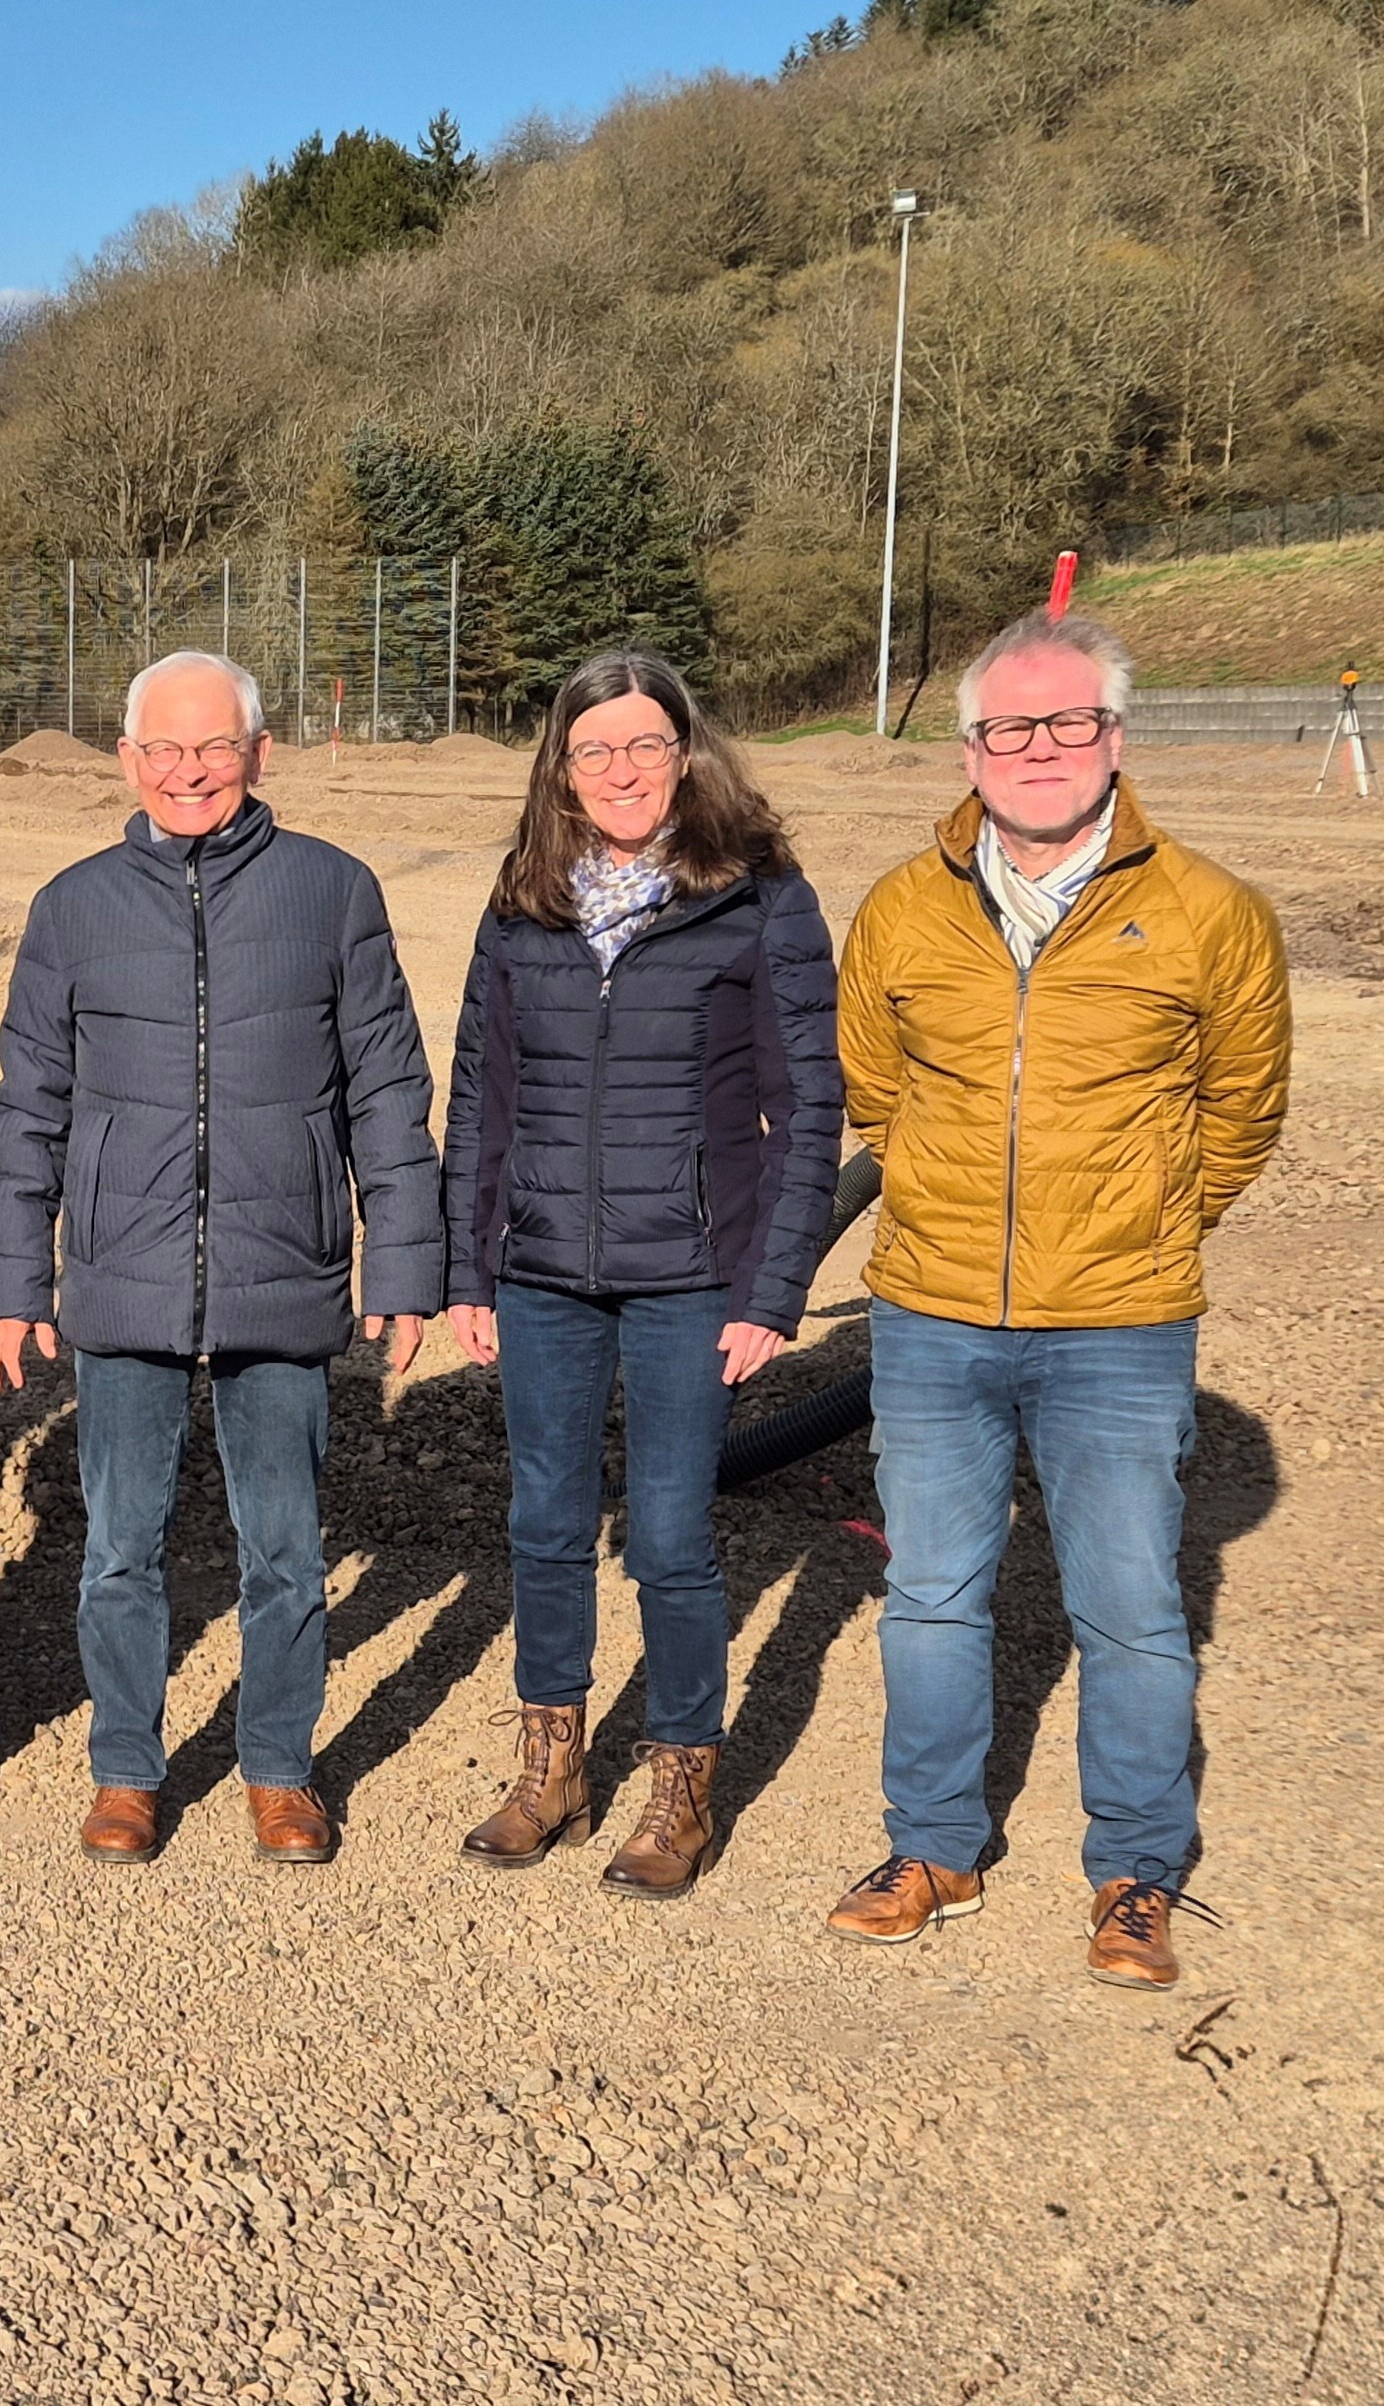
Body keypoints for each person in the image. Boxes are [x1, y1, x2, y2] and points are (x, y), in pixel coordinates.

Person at [827, 610, 1288, 1990]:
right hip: (931, 1311)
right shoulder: (903, 907)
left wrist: (1146, 1223)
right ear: (969, 747)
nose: (1039, 749)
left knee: (1134, 1603)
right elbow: (876, 1086)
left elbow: (1241, 1111)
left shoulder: (1209, 910)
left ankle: (1135, 1868)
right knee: (930, 1593)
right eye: (1008, 727)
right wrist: (947, 1208)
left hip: (1121, 1321)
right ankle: (933, 1846)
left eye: (1068, 721)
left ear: (1115, 736)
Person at [0, 651, 442, 1867]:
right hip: (121, 1281)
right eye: (163, 750)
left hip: (281, 1267)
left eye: (214, 747)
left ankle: (278, 1768)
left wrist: (401, 1264)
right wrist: (14, 1283)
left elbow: (388, 1090)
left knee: (284, 1548)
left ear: (258, 750)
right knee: (119, 1545)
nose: (188, 771)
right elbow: (26, 1106)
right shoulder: (71, 905)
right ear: (125, 759)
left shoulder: (331, 892)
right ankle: (127, 1769)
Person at [439, 652, 842, 1897]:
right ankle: (549, 1762)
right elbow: (480, 1099)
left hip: (690, 1275)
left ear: (687, 753)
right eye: (593, 749)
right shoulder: (521, 903)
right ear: (560, 766)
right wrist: (467, 1266)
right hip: (542, 1269)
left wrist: (770, 1289)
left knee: (669, 1535)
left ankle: (679, 1780)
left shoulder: (756, 894)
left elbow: (808, 1104)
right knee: (545, 1521)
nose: (619, 770)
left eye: (643, 745)